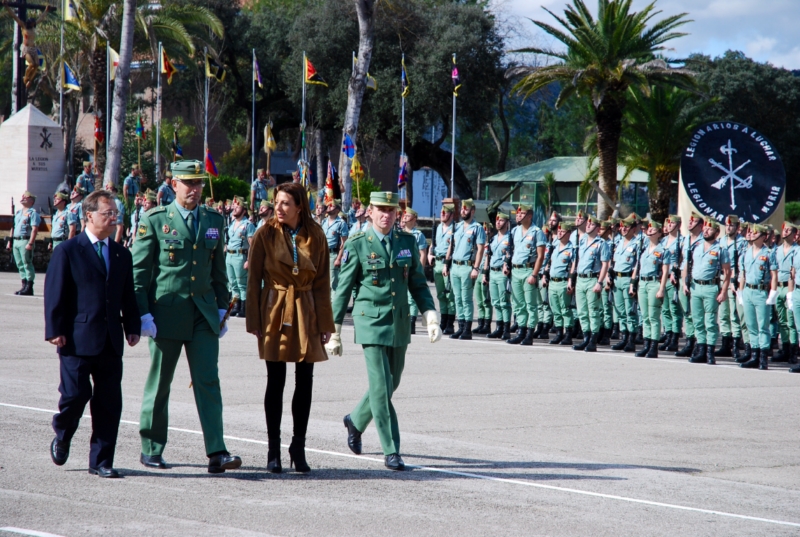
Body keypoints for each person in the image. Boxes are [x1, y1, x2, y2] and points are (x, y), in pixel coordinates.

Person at [132, 159, 242, 474]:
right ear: (173, 184)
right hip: (166, 313)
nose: (194, 189)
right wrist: (142, 314)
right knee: (161, 381)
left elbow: (218, 268)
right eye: (188, 183)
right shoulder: (154, 219)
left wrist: (222, 307)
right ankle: (151, 447)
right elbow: (140, 272)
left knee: (208, 380)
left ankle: (217, 452)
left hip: (203, 314)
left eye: (198, 184)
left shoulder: (213, 219)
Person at [326, 191, 441, 471]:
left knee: (392, 383)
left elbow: (417, 281)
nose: (386, 215)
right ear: (369, 211)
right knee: (380, 386)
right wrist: (335, 329)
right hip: (370, 322)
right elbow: (342, 290)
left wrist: (429, 313)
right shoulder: (357, 244)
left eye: (391, 210)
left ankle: (355, 420)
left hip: (400, 321)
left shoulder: (406, 241)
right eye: (380, 209)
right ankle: (392, 449)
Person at [44, 190, 141, 478]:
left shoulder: (122, 254)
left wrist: (133, 327)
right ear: (89, 216)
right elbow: (55, 293)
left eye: (115, 213)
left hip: (110, 338)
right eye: (107, 213)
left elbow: (127, 294)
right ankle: (62, 434)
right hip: (76, 338)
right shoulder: (69, 250)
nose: (113, 218)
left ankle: (101, 460)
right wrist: (54, 330)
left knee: (110, 402)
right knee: (75, 395)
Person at [245, 182, 335, 473]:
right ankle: (273, 450)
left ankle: (298, 445)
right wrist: (254, 321)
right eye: (277, 202)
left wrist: (325, 323)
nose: (279, 208)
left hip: (306, 309)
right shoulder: (265, 234)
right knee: (276, 380)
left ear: (300, 207)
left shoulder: (316, 235)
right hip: (275, 308)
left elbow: (322, 283)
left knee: (305, 379)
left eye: (286, 203)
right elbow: (253, 280)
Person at [442, 199, 485, 340]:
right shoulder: (457, 226)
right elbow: (451, 246)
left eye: (466, 209)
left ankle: (467, 329)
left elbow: (480, 250)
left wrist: (476, 268)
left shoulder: (477, 228)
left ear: (472, 211)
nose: (463, 211)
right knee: (457, 298)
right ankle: (460, 327)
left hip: (467, 267)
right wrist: (446, 264)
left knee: (466, 299)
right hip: (455, 266)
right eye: (462, 209)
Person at [738, 224, 778, 370]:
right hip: (748, 290)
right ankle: (754, 354)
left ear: (763, 237)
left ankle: (763, 357)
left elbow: (774, 275)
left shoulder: (768, 253)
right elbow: (743, 274)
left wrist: (772, 293)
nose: (752, 235)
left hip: (761, 291)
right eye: (752, 233)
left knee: (763, 326)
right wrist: (740, 292)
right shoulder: (746, 252)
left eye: (756, 233)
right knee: (751, 325)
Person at [506, 202, 546, 345]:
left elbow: (540, 256)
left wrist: (534, 275)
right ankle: (521, 331)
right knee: (519, 304)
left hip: (529, 270)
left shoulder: (537, 232)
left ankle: (529, 334)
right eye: (518, 213)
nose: (519, 216)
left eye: (522, 214)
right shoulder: (515, 231)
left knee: (531, 304)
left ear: (530, 215)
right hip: (516, 271)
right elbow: (510, 251)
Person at [571, 215, 611, 352]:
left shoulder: (601, 243)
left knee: (593, 311)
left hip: (592, 279)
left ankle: (593, 339)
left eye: (591, 224)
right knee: (582, 311)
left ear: (598, 228)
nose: (588, 226)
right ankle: (586, 337)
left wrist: (600, 282)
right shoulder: (582, 241)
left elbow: (605, 264)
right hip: (580, 279)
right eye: (587, 224)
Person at [632, 221, 669, 358]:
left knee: (653, 316)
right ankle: (646, 345)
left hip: (654, 283)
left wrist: (661, 288)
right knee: (645, 315)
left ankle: (654, 346)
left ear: (659, 233)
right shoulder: (643, 248)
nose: (650, 231)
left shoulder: (662, 250)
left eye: (654, 229)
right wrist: (633, 283)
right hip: (642, 283)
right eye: (649, 229)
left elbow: (665, 271)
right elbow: (638, 267)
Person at [675, 212, 704, 357]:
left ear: (700, 225)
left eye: (694, 222)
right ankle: (689, 341)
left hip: (697, 279)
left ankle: (700, 343)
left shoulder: (704, 241)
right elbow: (681, 259)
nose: (690, 223)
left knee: (697, 313)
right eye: (689, 221)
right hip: (684, 278)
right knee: (686, 311)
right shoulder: (684, 240)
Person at [609, 215, 640, 352]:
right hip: (617, 279)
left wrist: (633, 283)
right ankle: (623, 337)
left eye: (627, 227)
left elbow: (637, 265)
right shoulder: (618, 242)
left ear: (633, 229)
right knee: (620, 310)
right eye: (622, 227)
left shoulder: (637, 243)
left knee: (630, 311)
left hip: (628, 279)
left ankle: (631, 339)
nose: (623, 229)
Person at [3, 2, 51, 88]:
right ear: (29, 23)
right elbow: (14, 16)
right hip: (26, 48)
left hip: (33, 48)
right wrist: (7, 7)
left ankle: (29, 80)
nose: (33, 25)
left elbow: (41, 18)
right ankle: (25, 78)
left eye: (33, 24)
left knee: (36, 65)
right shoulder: (23, 26)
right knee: (32, 64)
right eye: (32, 23)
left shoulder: (33, 27)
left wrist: (46, 11)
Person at [544, 221, 576, 345]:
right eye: (559, 231)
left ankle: (568, 334)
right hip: (553, 282)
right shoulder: (554, 246)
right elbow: (549, 263)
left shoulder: (571, 248)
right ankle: (558, 333)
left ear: (569, 234)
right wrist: (545, 276)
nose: (560, 233)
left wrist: (571, 281)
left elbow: (573, 266)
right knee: (555, 309)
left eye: (563, 231)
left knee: (565, 309)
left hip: (563, 282)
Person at [483, 211, 513, 339]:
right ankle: (499, 327)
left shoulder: (510, 238)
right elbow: (488, 257)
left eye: (501, 221)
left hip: (502, 273)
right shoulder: (494, 239)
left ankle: (506, 328)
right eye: (497, 220)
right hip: (493, 272)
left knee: (504, 302)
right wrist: (485, 273)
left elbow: (510, 255)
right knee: (495, 301)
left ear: (506, 223)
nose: (498, 222)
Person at [226, 196, 256, 318]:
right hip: (230, 255)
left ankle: (244, 308)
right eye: (234, 206)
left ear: (244, 210)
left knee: (241, 283)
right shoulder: (232, 223)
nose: (234, 209)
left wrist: (249, 260)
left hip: (240, 255)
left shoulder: (248, 225)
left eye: (237, 207)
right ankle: (235, 306)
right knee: (232, 283)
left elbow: (252, 244)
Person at [429, 204, 456, 334]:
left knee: (449, 294)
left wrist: (447, 263)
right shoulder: (439, 227)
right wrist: (430, 253)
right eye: (441, 212)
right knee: (440, 294)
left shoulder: (455, 228)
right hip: (437, 262)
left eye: (445, 212)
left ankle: (450, 323)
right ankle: (443, 320)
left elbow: (452, 247)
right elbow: (433, 242)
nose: (442, 214)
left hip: (447, 263)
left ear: (451, 214)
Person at [773, 223, 798, 363]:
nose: (785, 231)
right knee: (782, 320)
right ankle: (786, 348)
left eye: (788, 230)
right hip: (778, 287)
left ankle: (794, 352)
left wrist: (790, 292)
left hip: (791, 288)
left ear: (794, 234)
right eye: (784, 229)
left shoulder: (796, 250)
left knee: (791, 322)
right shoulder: (777, 250)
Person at [658, 215, 683, 352]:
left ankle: (674, 338)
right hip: (663, 278)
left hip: (674, 279)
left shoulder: (682, 241)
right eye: (668, 222)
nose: (669, 225)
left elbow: (684, 259)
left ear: (679, 225)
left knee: (674, 309)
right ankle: (668, 334)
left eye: (672, 223)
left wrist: (677, 271)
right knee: (665, 309)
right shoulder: (663, 241)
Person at [401, 208, 428, 334]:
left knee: (412, 298)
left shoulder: (418, 235)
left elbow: (423, 254)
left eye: (408, 215)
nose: (405, 217)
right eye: (404, 215)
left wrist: (420, 270)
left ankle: (412, 322)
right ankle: (403, 320)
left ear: (414, 219)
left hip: (412, 268)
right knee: (401, 296)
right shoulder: (399, 233)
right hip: (401, 269)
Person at [8, 190, 40, 296]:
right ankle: (24, 285)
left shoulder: (33, 213)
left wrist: (30, 243)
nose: (23, 198)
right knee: (19, 264)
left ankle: (29, 287)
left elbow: (34, 229)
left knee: (27, 263)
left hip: (25, 240)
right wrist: (10, 241)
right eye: (23, 196)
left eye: (26, 197)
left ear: (32, 201)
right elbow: (13, 227)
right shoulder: (18, 213)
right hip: (16, 241)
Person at [321, 200, 349, 298]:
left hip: (333, 254)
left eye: (332, 206)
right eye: (328, 206)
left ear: (337, 209)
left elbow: (344, 243)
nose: (329, 207)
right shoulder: (324, 222)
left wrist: (338, 258)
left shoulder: (341, 223)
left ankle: (334, 307)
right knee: (323, 281)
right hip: (323, 254)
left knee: (333, 281)